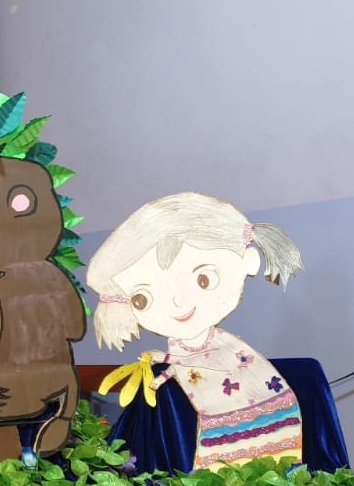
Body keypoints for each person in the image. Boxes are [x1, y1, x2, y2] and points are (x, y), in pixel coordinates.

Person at [86, 192, 305, 469]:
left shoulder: (231, 351)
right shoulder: (174, 358)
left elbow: (210, 365)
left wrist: (170, 369)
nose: (178, 302)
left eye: (204, 279)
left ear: (248, 261)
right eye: (142, 299)